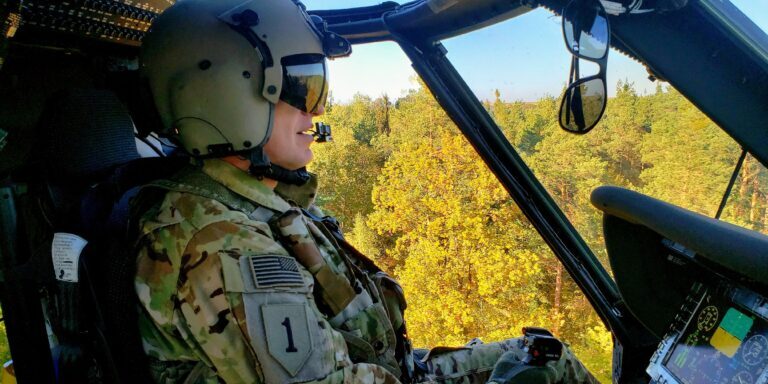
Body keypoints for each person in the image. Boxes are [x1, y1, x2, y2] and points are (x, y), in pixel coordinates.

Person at [134, 0, 599, 383]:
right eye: (303, 89)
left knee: (546, 358)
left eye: (320, 92)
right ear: (221, 97)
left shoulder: (258, 201)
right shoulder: (222, 243)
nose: (314, 113)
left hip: (392, 372)